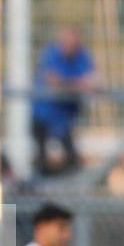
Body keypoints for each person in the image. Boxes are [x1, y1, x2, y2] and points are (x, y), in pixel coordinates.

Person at [32, 28, 98, 175]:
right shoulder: (51, 54)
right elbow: (52, 81)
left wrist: (65, 84)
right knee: (41, 155)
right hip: (43, 113)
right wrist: (77, 85)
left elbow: (93, 82)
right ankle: (42, 182)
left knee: (71, 157)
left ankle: (68, 186)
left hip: (64, 117)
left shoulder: (82, 56)